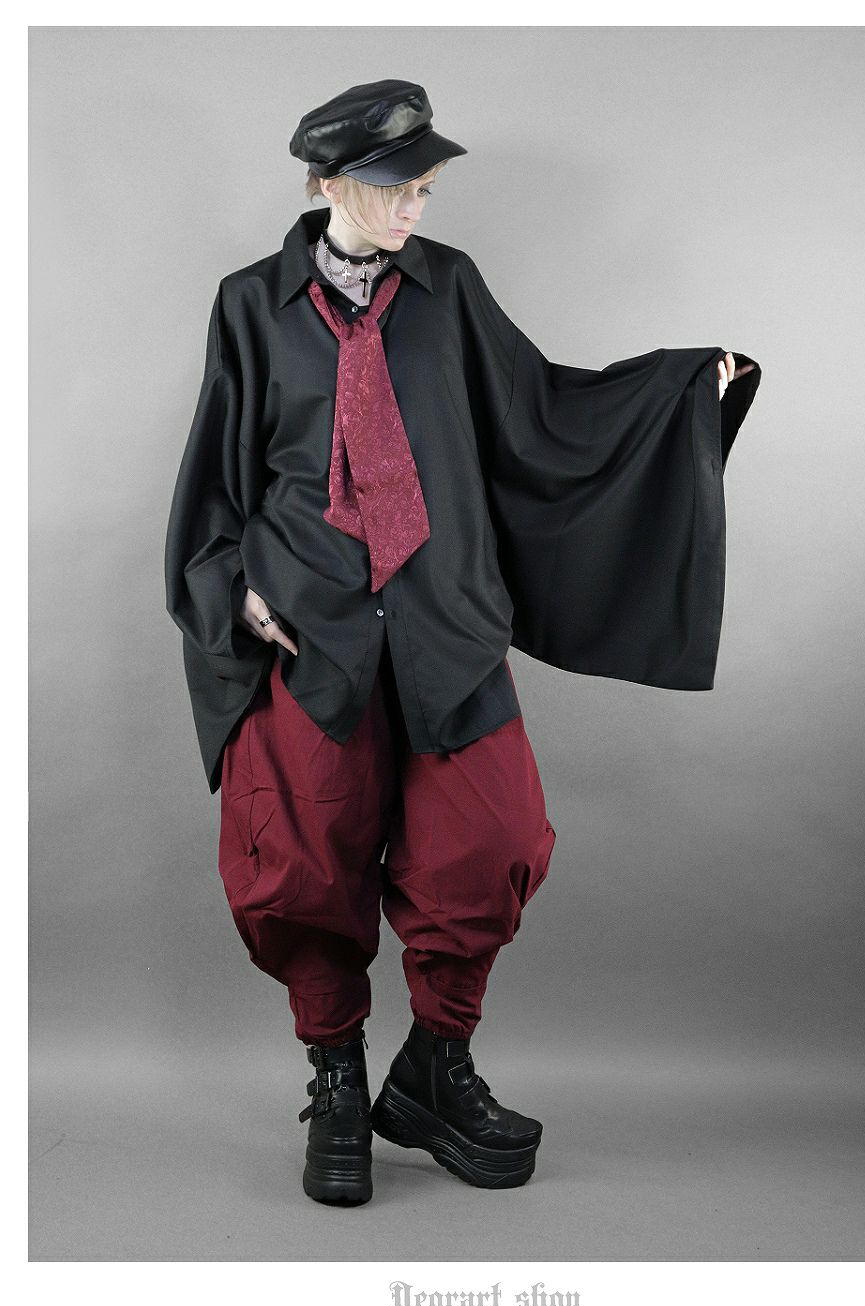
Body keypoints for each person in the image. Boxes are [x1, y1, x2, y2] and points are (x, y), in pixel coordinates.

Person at [164, 78, 761, 1208]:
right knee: (302, 867)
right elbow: (215, 477)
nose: (415, 206)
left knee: (491, 845)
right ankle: (338, 1078)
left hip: (444, 618)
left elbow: (541, 411)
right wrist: (235, 591)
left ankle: (435, 1066)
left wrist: (681, 388)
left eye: (427, 186)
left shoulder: (450, 290)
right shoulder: (249, 304)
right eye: (397, 185)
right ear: (328, 182)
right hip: (312, 633)